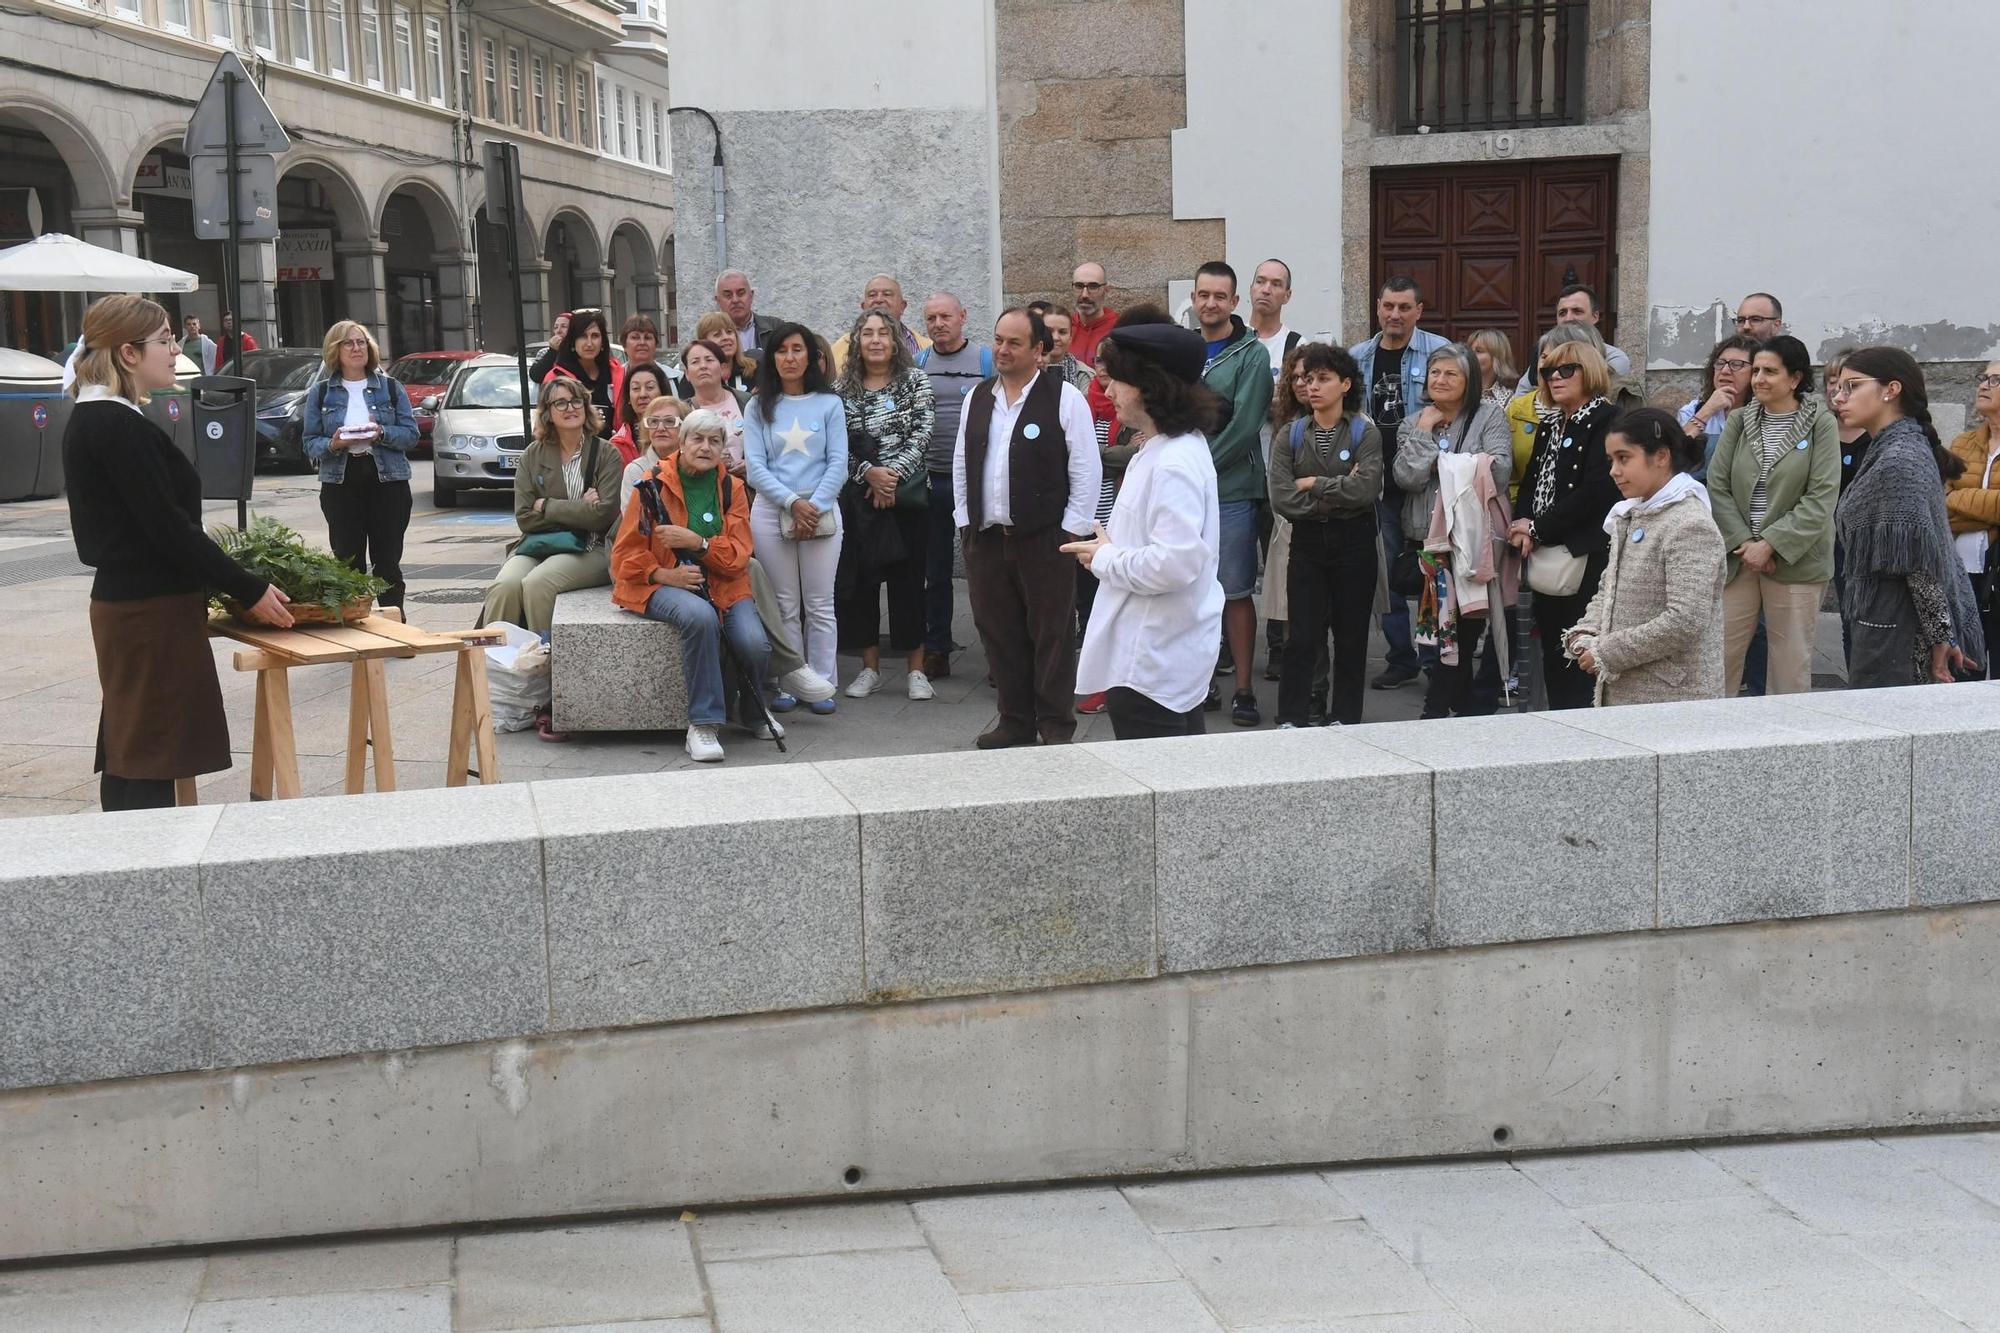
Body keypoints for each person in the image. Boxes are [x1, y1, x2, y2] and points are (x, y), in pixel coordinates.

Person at [63, 295, 294, 811]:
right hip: (146, 608)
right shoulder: (114, 425)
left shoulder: (104, 418)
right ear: (127, 353)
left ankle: (132, 870)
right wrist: (249, 587)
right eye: (164, 340)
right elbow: (169, 529)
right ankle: (143, 873)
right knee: (147, 753)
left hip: (139, 604)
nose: (175, 350)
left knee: (137, 747)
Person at [1064, 324, 1224, 739]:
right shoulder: (1163, 447)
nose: (1110, 390)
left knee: (1163, 787)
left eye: (1119, 380)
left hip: (1151, 659)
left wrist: (1104, 557)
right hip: (1157, 650)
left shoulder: (1173, 461)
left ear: (1152, 387)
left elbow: (1175, 563)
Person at [952, 308, 1101, 747]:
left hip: (1046, 540)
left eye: (1014, 342)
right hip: (987, 538)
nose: (1001, 349)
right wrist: (965, 522)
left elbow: (1086, 469)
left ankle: (1055, 725)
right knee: (999, 632)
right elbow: (963, 464)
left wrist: (1071, 531)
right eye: (998, 339)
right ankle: (1014, 720)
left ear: (1039, 351)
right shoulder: (977, 398)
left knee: (1051, 633)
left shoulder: (1064, 397)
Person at [612, 409, 773, 762]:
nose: (705, 447)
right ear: (681, 444)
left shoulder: (733, 488)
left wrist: (697, 543)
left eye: (714, 441)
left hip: (724, 582)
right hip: (658, 583)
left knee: (753, 643)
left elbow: (737, 557)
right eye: (697, 439)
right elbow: (624, 557)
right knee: (701, 618)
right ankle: (703, 723)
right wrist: (665, 575)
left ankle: (753, 707)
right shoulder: (650, 486)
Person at [1832, 349, 1983, 687]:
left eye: (1852, 386)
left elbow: (1917, 561)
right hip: (1880, 615)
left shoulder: (1900, 458)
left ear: (1891, 390)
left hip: (1899, 626)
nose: (1839, 398)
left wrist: (1941, 634)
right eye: (1838, 388)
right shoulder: (1888, 448)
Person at [478, 377, 622, 722]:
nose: (570, 408)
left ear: (587, 407)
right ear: (547, 412)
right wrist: (574, 508)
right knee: (505, 585)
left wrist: (549, 506)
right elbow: (525, 518)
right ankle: (497, 683)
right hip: (539, 544)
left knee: (538, 583)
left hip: (591, 547)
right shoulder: (533, 455)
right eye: (560, 403)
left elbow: (603, 514)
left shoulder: (605, 453)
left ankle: (550, 684)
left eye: (576, 401)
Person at [1562, 407, 1727, 706]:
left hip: (1673, 697)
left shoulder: (1690, 524)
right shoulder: (1632, 514)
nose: (1614, 470)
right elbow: (1608, 587)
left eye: (1624, 458)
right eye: (1612, 460)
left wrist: (1606, 651)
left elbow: (1685, 620)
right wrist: (1587, 629)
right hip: (1631, 690)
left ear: (1661, 456)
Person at [1707, 334, 1838, 696]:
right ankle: (1710, 741)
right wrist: (1747, 543)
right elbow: (1717, 487)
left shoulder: (1820, 424)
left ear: (1795, 379)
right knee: (1720, 656)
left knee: (1789, 663)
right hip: (1741, 557)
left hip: (1795, 560)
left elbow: (1821, 497)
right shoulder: (1739, 421)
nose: (1759, 379)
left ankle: (1786, 744)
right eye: (1757, 370)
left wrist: (1771, 544)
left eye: (1770, 371)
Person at [1393, 343, 1513, 719]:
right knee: (1445, 631)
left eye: (1451, 374)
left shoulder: (1489, 417)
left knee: (1458, 633)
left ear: (1469, 380)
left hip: (1471, 542)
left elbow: (1500, 470)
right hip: (1428, 540)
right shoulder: (1414, 421)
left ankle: (1433, 714)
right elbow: (1406, 476)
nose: (1440, 380)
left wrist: (1440, 464)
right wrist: (1426, 432)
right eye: (1435, 373)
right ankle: (1467, 711)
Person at [1267, 342, 1383, 728]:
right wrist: (1334, 496)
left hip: (1355, 540)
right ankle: (1292, 716)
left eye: (1322, 379)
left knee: (1351, 635)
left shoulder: (1364, 433)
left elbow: (1365, 491)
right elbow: (1283, 496)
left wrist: (1314, 483)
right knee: (1301, 634)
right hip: (1308, 541)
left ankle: (1345, 717)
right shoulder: (1290, 435)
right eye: (1307, 379)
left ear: (1345, 384)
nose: (1312, 386)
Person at [1507, 341, 1621, 710]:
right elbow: (1531, 479)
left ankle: (1583, 720)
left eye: (1566, 369)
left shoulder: (1606, 420)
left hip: (1583, 548)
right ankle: (1560, 718)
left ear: (1589, 370)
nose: (1554, 377)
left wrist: (1538, 529)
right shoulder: (1553, 422)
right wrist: (1522, 522)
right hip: (1546, 547)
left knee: (1578, 642)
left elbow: (1596, 491)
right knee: (1553, 646)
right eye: (1547, 371)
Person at [744, 322, 849, 712]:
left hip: (821, 510)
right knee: (784, 603)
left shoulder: (830, 404)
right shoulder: (758, 406)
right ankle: (790, 680)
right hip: (773, 512)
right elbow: (755, 467)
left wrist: (814, 505)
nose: (790, 357)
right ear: (772, 357)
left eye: (797, 349)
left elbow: (838, 462)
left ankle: (823, 681)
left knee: (821, 603)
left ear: (811, 357)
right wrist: (791, 502)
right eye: (782, 350)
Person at [835, 309, 938, 701]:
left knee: (909, 583)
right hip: (862, 499)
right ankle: (869, 669)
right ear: (857, 342)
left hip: (907, 495)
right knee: (863, 585)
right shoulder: (841, 389)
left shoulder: (915, 381)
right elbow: (836, 445)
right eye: (867, 334)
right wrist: (868, 474)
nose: (875, 340)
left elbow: (924, 430)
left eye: (883, 333)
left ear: (895, 341)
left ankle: (915, 669)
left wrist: (890, 475)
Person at [1351, 276, 1448, 689]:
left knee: (1433, 571)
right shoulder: (1357, 357)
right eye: (1388, 306)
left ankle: (1437, 656)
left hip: (1427, 481)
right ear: (1377, 307)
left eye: (1404, 307)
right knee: (1386, 573)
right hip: (1378, 485)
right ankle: (1402, 657)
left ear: (1418, 310)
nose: (1395, 314)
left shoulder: (1438, 352)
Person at [1191, 261, 1275, 725]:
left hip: (1232, 490)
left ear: (1234, 302)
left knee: (1236, 590)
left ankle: (1243, 688)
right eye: (1204, 295)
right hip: (1186, 492)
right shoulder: (1182, 351)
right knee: (1190, 588)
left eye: (1220, 296)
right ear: (1195, 298)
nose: (1211, 303)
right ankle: (1201, 681)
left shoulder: (1251, 355)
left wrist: (1197, 469)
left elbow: (1244, 426)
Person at [302, 320, 419, 609]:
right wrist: (334, 443)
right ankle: (356, 628)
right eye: (349, 343)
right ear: (335, 350)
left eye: (362, 342)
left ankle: (394, 624)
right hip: (341, 482)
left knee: (388, 561)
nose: (357, 348)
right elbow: (309, 442)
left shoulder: (391, 388)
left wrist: (381, 433)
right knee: (348, 562)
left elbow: (411, 435)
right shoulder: (320, 393)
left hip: (387, 481)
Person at [916, 291, 992, 679]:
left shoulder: (985, 361)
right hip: (930, 480)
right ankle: (936, 648)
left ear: (962, 316)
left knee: (987, 568)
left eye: (945, 316)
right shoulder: (919, 364)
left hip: (973, 482)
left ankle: (998, 653)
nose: (938, 324)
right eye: (931, 318)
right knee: (936, 571)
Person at [1944, 359, 2000, 677]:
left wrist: (1959, 500)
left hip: (1998, 572)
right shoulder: (1963, 443)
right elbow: (1940, 504)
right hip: (1962, 574)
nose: (1983, 385)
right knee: (1966, 668)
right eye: (1983, 378)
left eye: (1995, 380)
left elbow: (1952, 499)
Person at [1513, 284, 1632, 391]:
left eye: (1577, 311)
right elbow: (1521, 396)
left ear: (1595, 317)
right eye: (1562, 313)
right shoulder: (1545, 357)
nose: (1568, 318)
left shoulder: (1613, 358)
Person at [1676, 334, 1760, 482]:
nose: (1725, 370)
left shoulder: (1763, 413)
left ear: (1755, 372)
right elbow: (1674, 456)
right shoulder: (1692, 410)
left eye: (1736, 364)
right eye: (1720, 363)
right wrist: (1707, 411)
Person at [674, 339, 749, 472]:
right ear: (687, 374)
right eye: (695, 362)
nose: (703, 366)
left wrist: (751, 464)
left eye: (709, 360)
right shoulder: (682, 412)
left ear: (722, 368)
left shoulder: (746, 401)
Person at [541, 308, 624, 427]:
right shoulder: (556, 377)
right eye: (583, 336)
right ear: (573, 341)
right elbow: (544, 424)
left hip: (614, 444)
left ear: (603, 341)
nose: (589, 343)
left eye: (595, 336)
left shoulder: (618, 374)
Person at [829, 274, 929, 372]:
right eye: (872, 295)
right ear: (863, 307)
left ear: (902, 306)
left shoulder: (928, 348)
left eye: (887, 294)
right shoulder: (838, 350)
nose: (879, 300)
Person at [618, 394, 687, 516]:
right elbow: (634, 523)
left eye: (670, 421)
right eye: (653, 421)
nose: (660, 428)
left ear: (685, 427)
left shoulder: (693, 467)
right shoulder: (635, 470)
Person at [609, 362, 673, 465]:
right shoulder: (617, 445)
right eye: (636, 388)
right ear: (628, 398)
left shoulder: (679, 434)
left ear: (663, 393)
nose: (642, 395)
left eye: (650, 387)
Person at [684, 310, 759, 395]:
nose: (726, 337)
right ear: (704, 342)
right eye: (717, 334)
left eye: (729, 332)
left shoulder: (755, 368)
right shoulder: (696, 376)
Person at [1246, 259, 1300, 370]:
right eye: (1260, 282)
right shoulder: (1232, 338)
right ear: (1251, 289)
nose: (1266, 290)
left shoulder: (1297, 346)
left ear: (1287, 296)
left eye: (1276, 284)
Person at [715, 270, 782, 357]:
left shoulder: (775, 328)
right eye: (728, 295)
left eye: (741, 293)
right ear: (717, 300)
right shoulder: (709, 338)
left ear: (751, 296)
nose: (735, 300)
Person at [1067, 261, 1118, 368]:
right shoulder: (1063, 329)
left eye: (1093, 286)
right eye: (1079, 286)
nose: (1084, 295)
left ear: (1106, 289)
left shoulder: (1119, 329)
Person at [1040, 305, 1094, 392]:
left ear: (1070, 338)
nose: (1055, 337)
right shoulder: (1024, 371)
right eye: (1049, 331)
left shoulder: (1084, 375)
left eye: (1062, 332)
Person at [1467, 329, 1517, 410]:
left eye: (1479, 351)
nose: (1470, 355)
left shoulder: (1509, 400)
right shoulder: (1455, 390)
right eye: (1469, 350)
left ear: (1497, 357)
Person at [527, 311, 570, 382]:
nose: (558, 331)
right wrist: (552, 351)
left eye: (564, 326)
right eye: (556, 327)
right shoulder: (544, 352)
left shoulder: (579, 352)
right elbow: (536, 376)